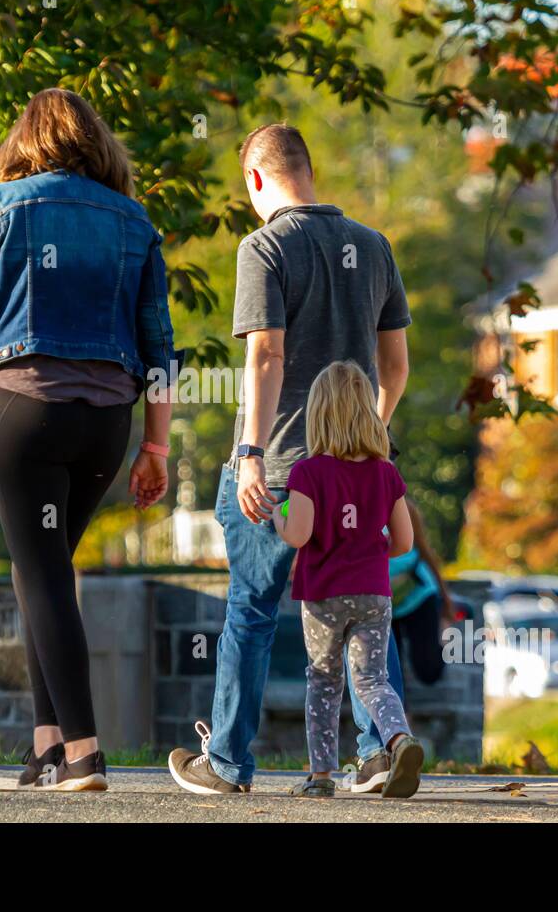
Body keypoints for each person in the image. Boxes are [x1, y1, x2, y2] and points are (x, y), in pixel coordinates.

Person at [0, 88, 174, 792]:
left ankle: (86, 753)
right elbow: (160, 345)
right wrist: (156, 447)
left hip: (24, 411)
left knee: (41, 576)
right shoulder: (135, 221)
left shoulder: (0, 205)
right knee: (43, 573)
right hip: (106, 426)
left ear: (23, 141)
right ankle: (47, 747)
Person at [168, 123, 412, 795]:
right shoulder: (373, 245)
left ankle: (227, 764)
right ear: (308, 169)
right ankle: (378, 753)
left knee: (250, 611)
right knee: (365, 609)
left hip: (279, 471)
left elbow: (267, 353)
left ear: (255, 179)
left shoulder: (265, 247)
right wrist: (368, 438)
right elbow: (395, 366)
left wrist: (248, 450)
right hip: (357, 474)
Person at [271, 361, 423, 798]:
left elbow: (298, 534)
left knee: (323, 681)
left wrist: (278, 516)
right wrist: (369, 545)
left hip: (322, 597)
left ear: (318, 414)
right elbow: (405, 542)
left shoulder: (307, 472)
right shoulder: (386, 472)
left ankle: (320, 777)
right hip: (374, 593)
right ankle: (398, 739)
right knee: (373, 680)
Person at [345, 498, 456, 792]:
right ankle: (399, 732)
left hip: (418, 599)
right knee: (386, 671)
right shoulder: (350, 508)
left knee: (428, 669)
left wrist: (446, 605)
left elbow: (425, 554)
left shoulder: (401, 507)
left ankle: (398, 735)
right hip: (382, 603)